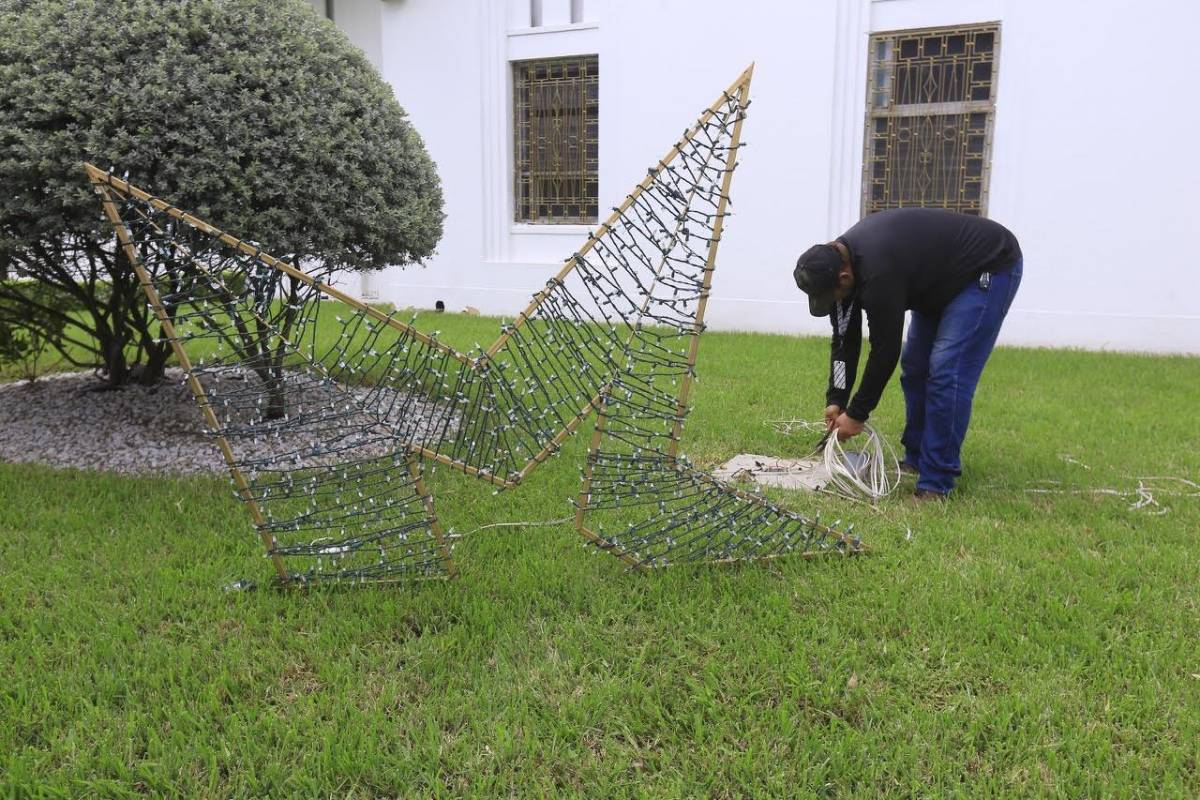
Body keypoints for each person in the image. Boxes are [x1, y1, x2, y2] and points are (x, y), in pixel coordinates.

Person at [793, 207, 1023, 499]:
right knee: (915, 367)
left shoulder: (877, 272)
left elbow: (885, 350)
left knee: (945, 371)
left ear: (845, 276)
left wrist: (857, 413)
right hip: (937, 281)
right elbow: (844, 343)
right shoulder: (836, 269)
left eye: (831, 295)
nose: (832, 302)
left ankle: (936, 481)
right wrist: (837, 399)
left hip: (986, 268)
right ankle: (916, 456)